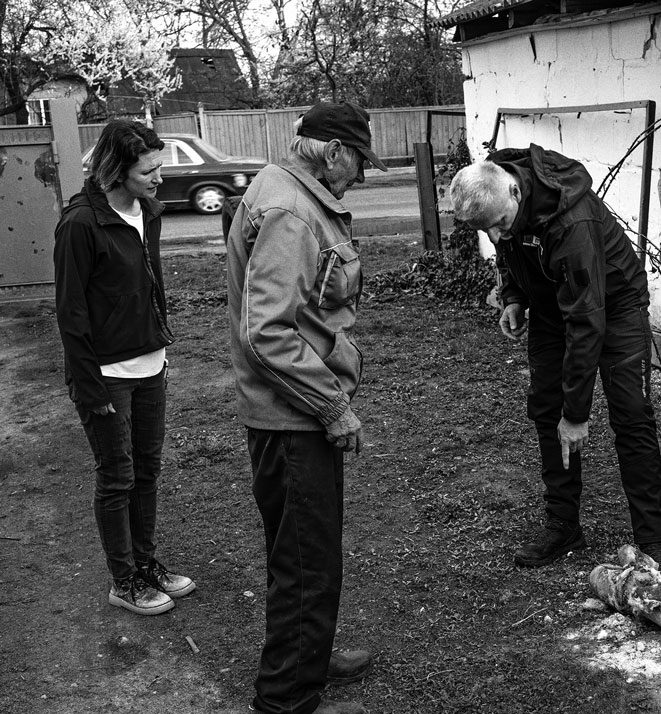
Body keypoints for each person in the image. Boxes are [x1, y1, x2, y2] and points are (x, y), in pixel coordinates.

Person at [226, 101, 388, 714]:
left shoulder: (282, 187)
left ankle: (308, 656)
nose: (362, 177)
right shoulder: (292, 212)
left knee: (302, 551)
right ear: (334, 151)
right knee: (305, 560)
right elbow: (268, 331)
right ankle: (286, 697)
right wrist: (331, 408)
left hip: (286, 410)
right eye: (359, 163)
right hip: (292, 415)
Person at [449, 144, 661, 573]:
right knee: (545, 408)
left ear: (515, 193)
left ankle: (653, 541)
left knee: (631, 414)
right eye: (487, 231)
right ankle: (563, 526)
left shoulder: (572, 221)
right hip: (556, 302)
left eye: (499, 223)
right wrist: (514, 296)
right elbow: (511, 248)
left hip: (614, 303)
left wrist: (577, 414)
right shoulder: (502, 197)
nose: (496, 236)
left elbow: (587, 323)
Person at [53, 120, 196, 616]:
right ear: (117, 170)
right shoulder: (80, 224)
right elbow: (70, 314)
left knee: (147, 471)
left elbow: (146, 285)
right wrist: (90, 389)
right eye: (148, 171)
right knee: (116, 476)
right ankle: (124, 580)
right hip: (106, 375)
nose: (158, 179)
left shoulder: (147, 212)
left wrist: (159, 345)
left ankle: (145, 561)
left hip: (149, 364)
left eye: (159, 168)